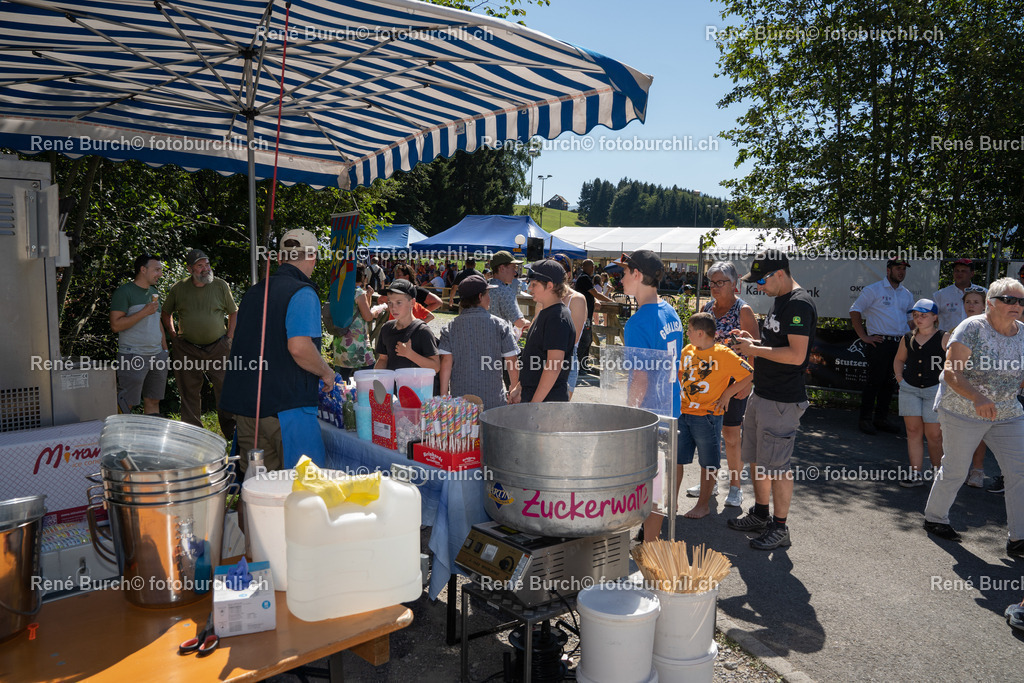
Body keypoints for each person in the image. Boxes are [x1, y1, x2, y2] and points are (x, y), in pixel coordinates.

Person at [922, 278, 1024, 559]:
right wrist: (978, 397)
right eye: (1009, 299)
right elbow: (951, 373)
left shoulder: (1023, 333)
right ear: (991, 302)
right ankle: (935, 518)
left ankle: (1019, 538)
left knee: (1020, 470)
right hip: (962, 410)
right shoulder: (972, 328)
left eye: (1021, 301)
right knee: (955, 468)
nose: (1016, 305)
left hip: (1008, 412)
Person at [220, 229, 334, 471]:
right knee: (306, 489)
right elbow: (299, 347)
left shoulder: (253, 292)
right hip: (287, 410)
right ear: (312, 256)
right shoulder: (303, 292)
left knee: (255, 493)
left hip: (249, 409)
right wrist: (326, 372)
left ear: (281, 258)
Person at [728, 250, 817, 550]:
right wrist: (754, 343)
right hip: (762, 393)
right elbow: (776, 344)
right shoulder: (781, 299)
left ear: (780, 273)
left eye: (762, 281)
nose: (759, 288)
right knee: (757, 461)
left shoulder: (800, 304)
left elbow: (796, 356)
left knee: (777, 467)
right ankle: (761, 514)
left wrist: (754, 351)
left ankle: (780, 527)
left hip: (782, 400)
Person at [611, 250, 684, 542]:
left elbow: (639, 377)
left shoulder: (638, 322)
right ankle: (650, 541)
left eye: (625, 273)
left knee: (648, 486)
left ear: (638, 275)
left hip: (651, 414)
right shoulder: (670, 310)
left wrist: (629, 414)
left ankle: (649, 547)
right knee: (658, 483)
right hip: (671, 409)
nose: (621, 279)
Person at [686, 261, 760, 508]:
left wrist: (745, 385)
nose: (715, 287)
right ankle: (711, 483)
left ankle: (736, 487)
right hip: (707, 384)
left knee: (730, 435)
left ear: (734, 283)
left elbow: (755, 349)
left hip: (734, 383)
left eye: (721, 282)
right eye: (712, 282)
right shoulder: (707, 308)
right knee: (708, 437)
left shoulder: (744, 311)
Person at [678, 312, 753, 519]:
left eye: (690, 330)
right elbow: (679, 375)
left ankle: (703, 505)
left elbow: (749, 373)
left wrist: (727, 393)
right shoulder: (687, 351)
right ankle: (671, 502)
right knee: (676, 459)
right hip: (683, 413)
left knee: (708, 462)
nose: (688, 334)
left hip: (708, 417)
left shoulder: (724, 354)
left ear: (701, 333)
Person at [161, 248, 238, 439]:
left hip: (218, 346)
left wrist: (229, 337)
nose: (205, 269)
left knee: (225, 388)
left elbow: (233, 312)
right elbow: (165, 312)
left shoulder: (221, 285)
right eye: (200, 265)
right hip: (187, 348)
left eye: (207, 264)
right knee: (188, 392)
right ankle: (192, 435)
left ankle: (232, 432)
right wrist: (172, 334)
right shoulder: (179, 288)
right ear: (189, 269)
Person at [850, 258, 914, 435]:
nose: (901, 272)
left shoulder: (907, 294)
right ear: (888, 270)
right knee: (874, 382)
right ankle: (865, 419)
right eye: (897, 268)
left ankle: (881, 419)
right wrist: (863, 336)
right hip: (879, 343)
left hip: (900, 344)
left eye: (903, 269)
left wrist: (917, 339)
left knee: (890, 383)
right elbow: (855, 310)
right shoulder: (873, 289)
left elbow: (910, 321)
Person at [438, 275, 520, 410]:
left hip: (461, 400)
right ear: (480, 297)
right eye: (488, 294)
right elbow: (511, 359)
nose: (490, 298)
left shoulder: (450, 327)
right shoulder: (500, 325)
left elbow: (446, 361)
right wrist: (514, 387)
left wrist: (443, 395)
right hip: (493, 399)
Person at [893, 299, 945, 487]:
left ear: (934, 317)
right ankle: (915, 473)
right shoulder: (908, 338)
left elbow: (955, 362)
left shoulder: (944, 337)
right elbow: (899, 359)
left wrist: (947, 384)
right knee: (913, 431)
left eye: (924, 315)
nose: (919, 319)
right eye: (916, 315)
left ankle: (938, 473)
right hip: (910, 389)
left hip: (934, 391)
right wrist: (900, 379)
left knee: (934, 435)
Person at [110, 254, 169, 415]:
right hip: (132, 355)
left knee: (153, 400)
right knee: (126, 403)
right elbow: (116, 325)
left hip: (157, 355)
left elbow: (157, 323)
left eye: (161, 270)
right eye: (156, 270)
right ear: (143, 270)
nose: (160, 274)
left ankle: (151, 439)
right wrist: (143, 312)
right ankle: (121, 439)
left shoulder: (154, 292)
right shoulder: (124, 292)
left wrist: (165, 351)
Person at [514, 260, 575, 403]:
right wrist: (519, 387)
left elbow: (553, 366)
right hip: (537, 399)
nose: (529, 288)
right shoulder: (546, 312)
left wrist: (534, 405)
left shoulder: (557, 318)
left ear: (550, 286)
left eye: (534, 284)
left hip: (547, 403)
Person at [321, 266, 375, 381]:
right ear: (362, 277)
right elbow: (367, 316)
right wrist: (375, 313)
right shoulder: (358, 292)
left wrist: (368, 297)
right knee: (369, 374)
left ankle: (342, 397)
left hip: (340, 339)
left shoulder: (337, 290)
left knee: (342, 378)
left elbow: (359, 311)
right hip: (357, 342)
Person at [374, 279, 440, 373]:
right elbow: (383, 359)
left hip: (415, 387)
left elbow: (435, 367)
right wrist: (375, 380)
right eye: (390, 302)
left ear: (412, 303)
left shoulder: (423, 331)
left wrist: (410, 354)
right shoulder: (386, 328)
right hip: (391, 386)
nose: (393, 307)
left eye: (399, 302)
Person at [550, 253, 588, 399]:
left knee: (558, 413)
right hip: (541, 358)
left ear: (568, 274)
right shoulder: (543, 298)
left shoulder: (577, 299)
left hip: (566, 360)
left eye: (558, 270)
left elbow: (572, 339)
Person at [574, 259, 615, 371]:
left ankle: (583, 365)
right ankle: (579, 365)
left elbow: (591, 294)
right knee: (585, 340)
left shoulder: (583, 277)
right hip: (583, 315)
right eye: (592, 266)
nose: (593, 268)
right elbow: (595, 293)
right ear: (588, 267)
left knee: (587, 339)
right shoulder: (584, 278)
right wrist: (610, 301)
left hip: (585, 314)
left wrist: (595, 300)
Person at [933, 258, 986, 332]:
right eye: (956, 271)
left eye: (963, 271)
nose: (959, 273)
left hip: (977, 339)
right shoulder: (940, 295)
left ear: (972, 273)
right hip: (948, 340)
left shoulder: (984, 293)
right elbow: (932, 319)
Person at [488, 251, 530, 335]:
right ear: (502, 268)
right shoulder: (505, 291)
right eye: (513, 268)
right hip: (502, 341)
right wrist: (528, 323)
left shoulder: (485, 288)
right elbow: (519, 322)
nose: (515, 273)